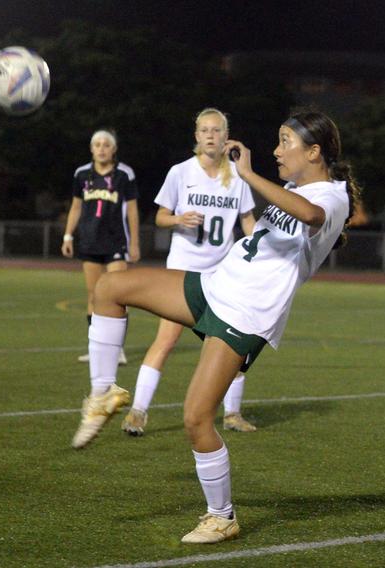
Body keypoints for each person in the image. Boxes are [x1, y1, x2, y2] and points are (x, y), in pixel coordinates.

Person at [70, 110, 359, 545]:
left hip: (245, 313)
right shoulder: (298, 187)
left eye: (285, 142)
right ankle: (102, 392)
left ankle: (221, 516)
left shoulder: (332, 196)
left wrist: (248, 174)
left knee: (196, 418)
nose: (277, 150)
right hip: (215, 286)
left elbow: (312, 215)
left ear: (314, 151)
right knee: (110, 287)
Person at [121, 108, 258, 436]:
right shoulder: (181, 173)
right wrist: (179, 220)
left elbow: (248, 222)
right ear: (196, 136)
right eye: (205, 130)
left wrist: (261, 251)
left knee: (232, 345)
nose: (211, 135)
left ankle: (232, 414)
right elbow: (160, 217)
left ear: (226, 136)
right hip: (184, 273)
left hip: (223, 276)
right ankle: (138, 412)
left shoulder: (238, 177)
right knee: (165, 340)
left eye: (217, 130)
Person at [61, 129, 139, 365]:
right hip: (89, 240)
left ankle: (118, 349)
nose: (102, 148)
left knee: (117, 295)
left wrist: (134, 242)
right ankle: (96, 348)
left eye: (107, 144)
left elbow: (133, 209)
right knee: (93, 295)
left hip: (116, 241)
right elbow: (75, 207)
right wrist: (67, 236)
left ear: (113, 149)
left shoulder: (124, 174)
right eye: (97, 144)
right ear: (91, 149)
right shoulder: (82, 174)